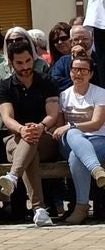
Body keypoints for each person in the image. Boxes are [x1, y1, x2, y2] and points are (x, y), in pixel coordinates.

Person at [0, 39, 62, 227]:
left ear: (33, 58)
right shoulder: (4, 86)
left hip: (45, 137)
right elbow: (7, 118)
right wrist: (22, 129)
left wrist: (40, 127)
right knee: (29, 145)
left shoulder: (47, 81)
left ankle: (13, 177)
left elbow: (53, 114)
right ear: (10, 62)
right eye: (19, 63)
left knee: (31, 141)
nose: (25, 66)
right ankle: (39, 210)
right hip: (14, 138)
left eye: (28, 61)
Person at [52, 50, 105, 224]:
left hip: (98, 140)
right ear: (70, 72)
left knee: (77, 156)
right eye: (75, 69)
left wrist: (71, 126)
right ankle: (96, 169)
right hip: (70, 142)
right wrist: (70, 127)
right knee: (73, 133)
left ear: (90, 73)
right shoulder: (64, 95)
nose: (79, 74)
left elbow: (97, 123)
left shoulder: (100, 93)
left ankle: (81, 207)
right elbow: (61, 128)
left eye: (83, 70)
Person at [51, 25, 98, 91]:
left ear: (92, 41)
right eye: (76, 39)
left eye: (85, 39)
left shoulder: (100, 60)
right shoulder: (63, 61)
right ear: (71, 42)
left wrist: (85, 58)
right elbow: (55, 81)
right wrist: (79, 83)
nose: (80, 42)